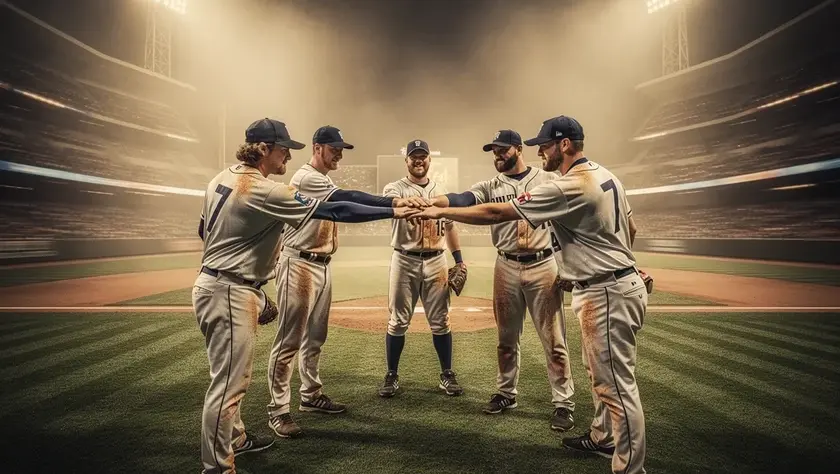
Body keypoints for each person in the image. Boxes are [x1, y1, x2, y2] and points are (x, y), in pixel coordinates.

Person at [415, 116, 648, 474]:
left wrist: (439, 209)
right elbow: (629, 227)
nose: (542, 150)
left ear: (565, 145)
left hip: (604, 289)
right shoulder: (606, 174)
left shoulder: (565, 184)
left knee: (615, 386)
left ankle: (628, 468)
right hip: (610, 280)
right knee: (603, 377)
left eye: (546, 144)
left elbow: (496, 212)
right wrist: (625, 264)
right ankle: (603, 437)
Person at [194, 118, 419, 474]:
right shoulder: (263, 189)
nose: (287, 156)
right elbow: (337, 207)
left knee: (230, 376)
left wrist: (242, 277)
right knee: (229, 386)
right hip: (232, 288)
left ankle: (236, 437)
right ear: (264, 149)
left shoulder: (221, 177)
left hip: (222, 282)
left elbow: (203, 229)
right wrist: (392, 208)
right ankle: (218, 467)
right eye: (283, 149)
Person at [267, 126, 428, 438]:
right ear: (317, 147)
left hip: (319, 264)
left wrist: (393, 208)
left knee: (315, 337)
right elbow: (346, 202)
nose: (339, 152)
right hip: (299, 263)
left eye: (341, 148)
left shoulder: (322, 177)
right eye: (334, 147)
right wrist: (393, 207)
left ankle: (310, 395)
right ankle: (278, 411)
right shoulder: (306, 177)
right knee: (289, 342)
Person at [429, 129, 575, 431]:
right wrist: (433, 201)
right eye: (494, 150)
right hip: (505, 264)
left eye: (503, 149)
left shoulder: (547, 180)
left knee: (553, 340)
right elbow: (463, 197)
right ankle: (507, 393)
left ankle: (563, 403)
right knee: (506, 339)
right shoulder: (491, 185)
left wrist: (567, 266)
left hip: (543, 264)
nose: (497, 154)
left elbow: (566, 224)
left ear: (518, 149)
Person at [378, 139, 466, 398]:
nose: (419, 160)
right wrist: (411, 203)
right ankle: (391, 374)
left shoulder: (442, 191)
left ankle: (447, 374)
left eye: (423, 156)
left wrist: (459, 260)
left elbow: (450, 227)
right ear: (406, 161)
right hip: (404, 259)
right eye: (414, 156)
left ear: (429, 160)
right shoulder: (395, 187)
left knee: (441, 320)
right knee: (397, 321)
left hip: (437, 259)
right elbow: (389, 203)